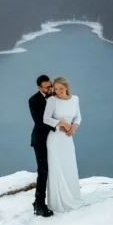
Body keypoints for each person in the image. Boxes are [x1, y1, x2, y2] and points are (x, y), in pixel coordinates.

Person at [42, 76, 83, 213]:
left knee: (69, 166)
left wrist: (74, 126)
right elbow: (46, 119)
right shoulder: (52, 100)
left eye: (61, 88)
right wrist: (63, 124)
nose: (58, 91)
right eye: (56, 89)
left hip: (68, 138)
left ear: (66, 87)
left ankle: (73, 196)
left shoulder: (75, 99)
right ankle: (57, 202)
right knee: (57, 168)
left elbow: (78, 116)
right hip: (55, 138)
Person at [28, 75, 57, 217]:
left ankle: (58, 198)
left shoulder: (55, 96)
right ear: (39, 87)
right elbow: (39, 122)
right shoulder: (33, 100)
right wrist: (58, 126)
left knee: (56, 168)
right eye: (47, 87)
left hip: (55, 140)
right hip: (40, 140)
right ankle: (39, 204)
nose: (50, 89)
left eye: (51, 86)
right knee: (43, 170)